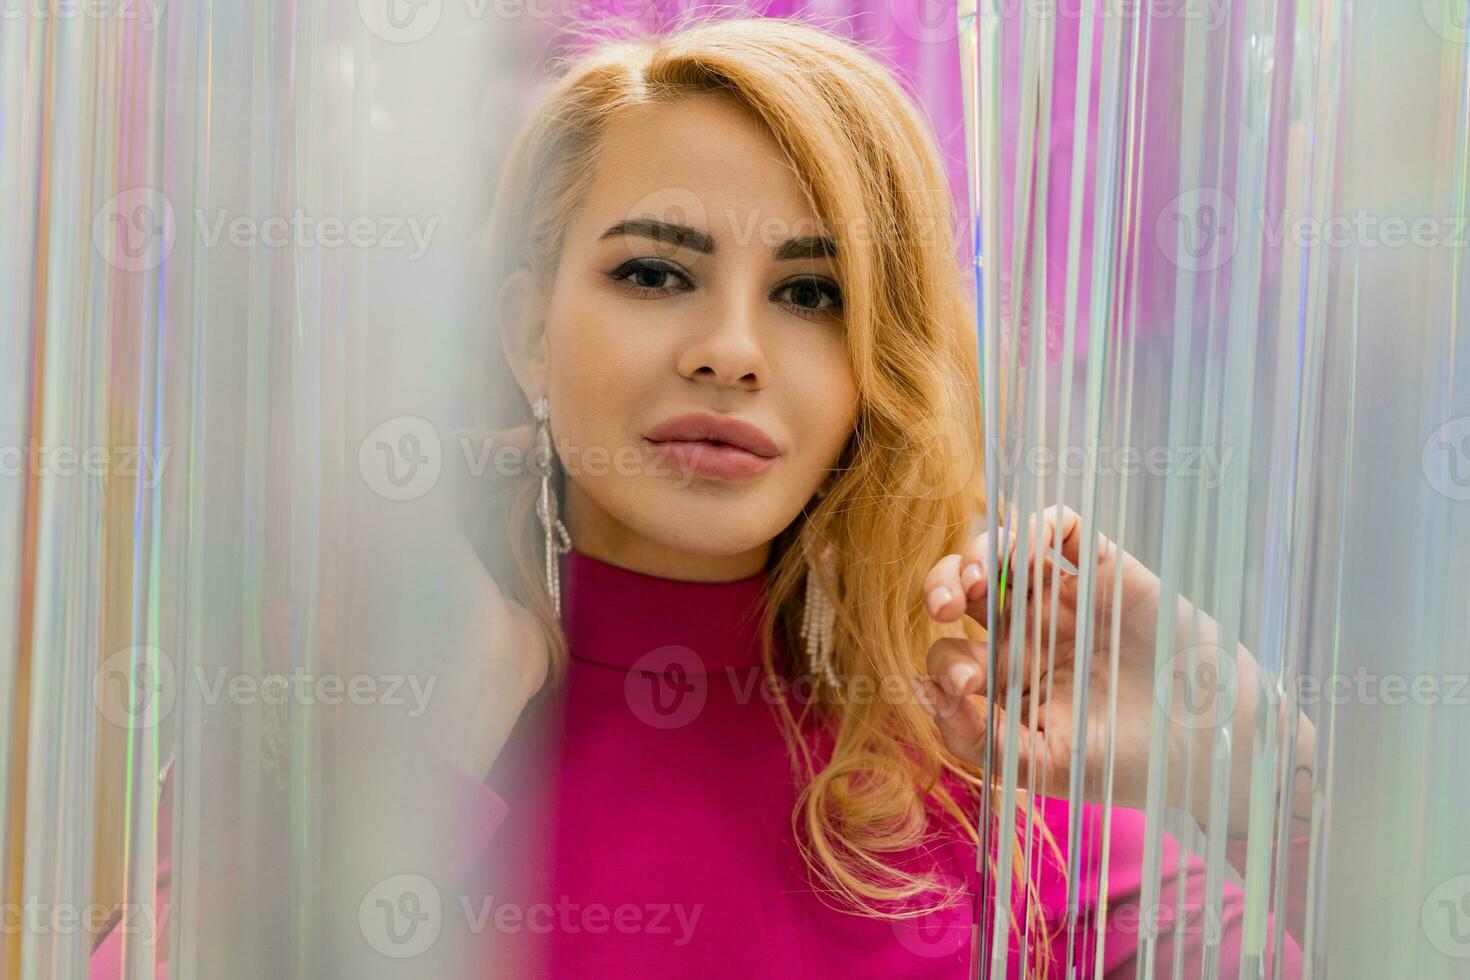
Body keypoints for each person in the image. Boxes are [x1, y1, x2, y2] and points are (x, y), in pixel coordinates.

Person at [91, 16, 1314, 978]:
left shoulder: (995, 817)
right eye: (656, 270)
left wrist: (1264, 783)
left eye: (811, 293)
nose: (730, 348)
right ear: (527, 330)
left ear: (868, 374)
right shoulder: (373, 744)